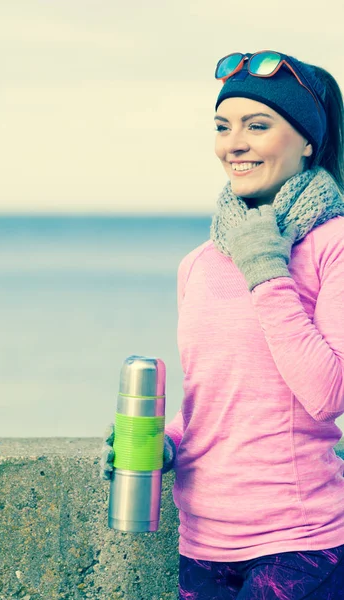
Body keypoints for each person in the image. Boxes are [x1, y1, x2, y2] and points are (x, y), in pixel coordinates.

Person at [100, 50, 344, 599]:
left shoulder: (334, 246)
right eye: (222, 126)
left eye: (258, 126)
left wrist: (266, 271)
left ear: (307, 140)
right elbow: (215, 400)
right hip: (203, 542)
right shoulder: (199, 263)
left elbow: (328, 392)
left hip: (299, 544)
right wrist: (163, 445)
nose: (234, 143)